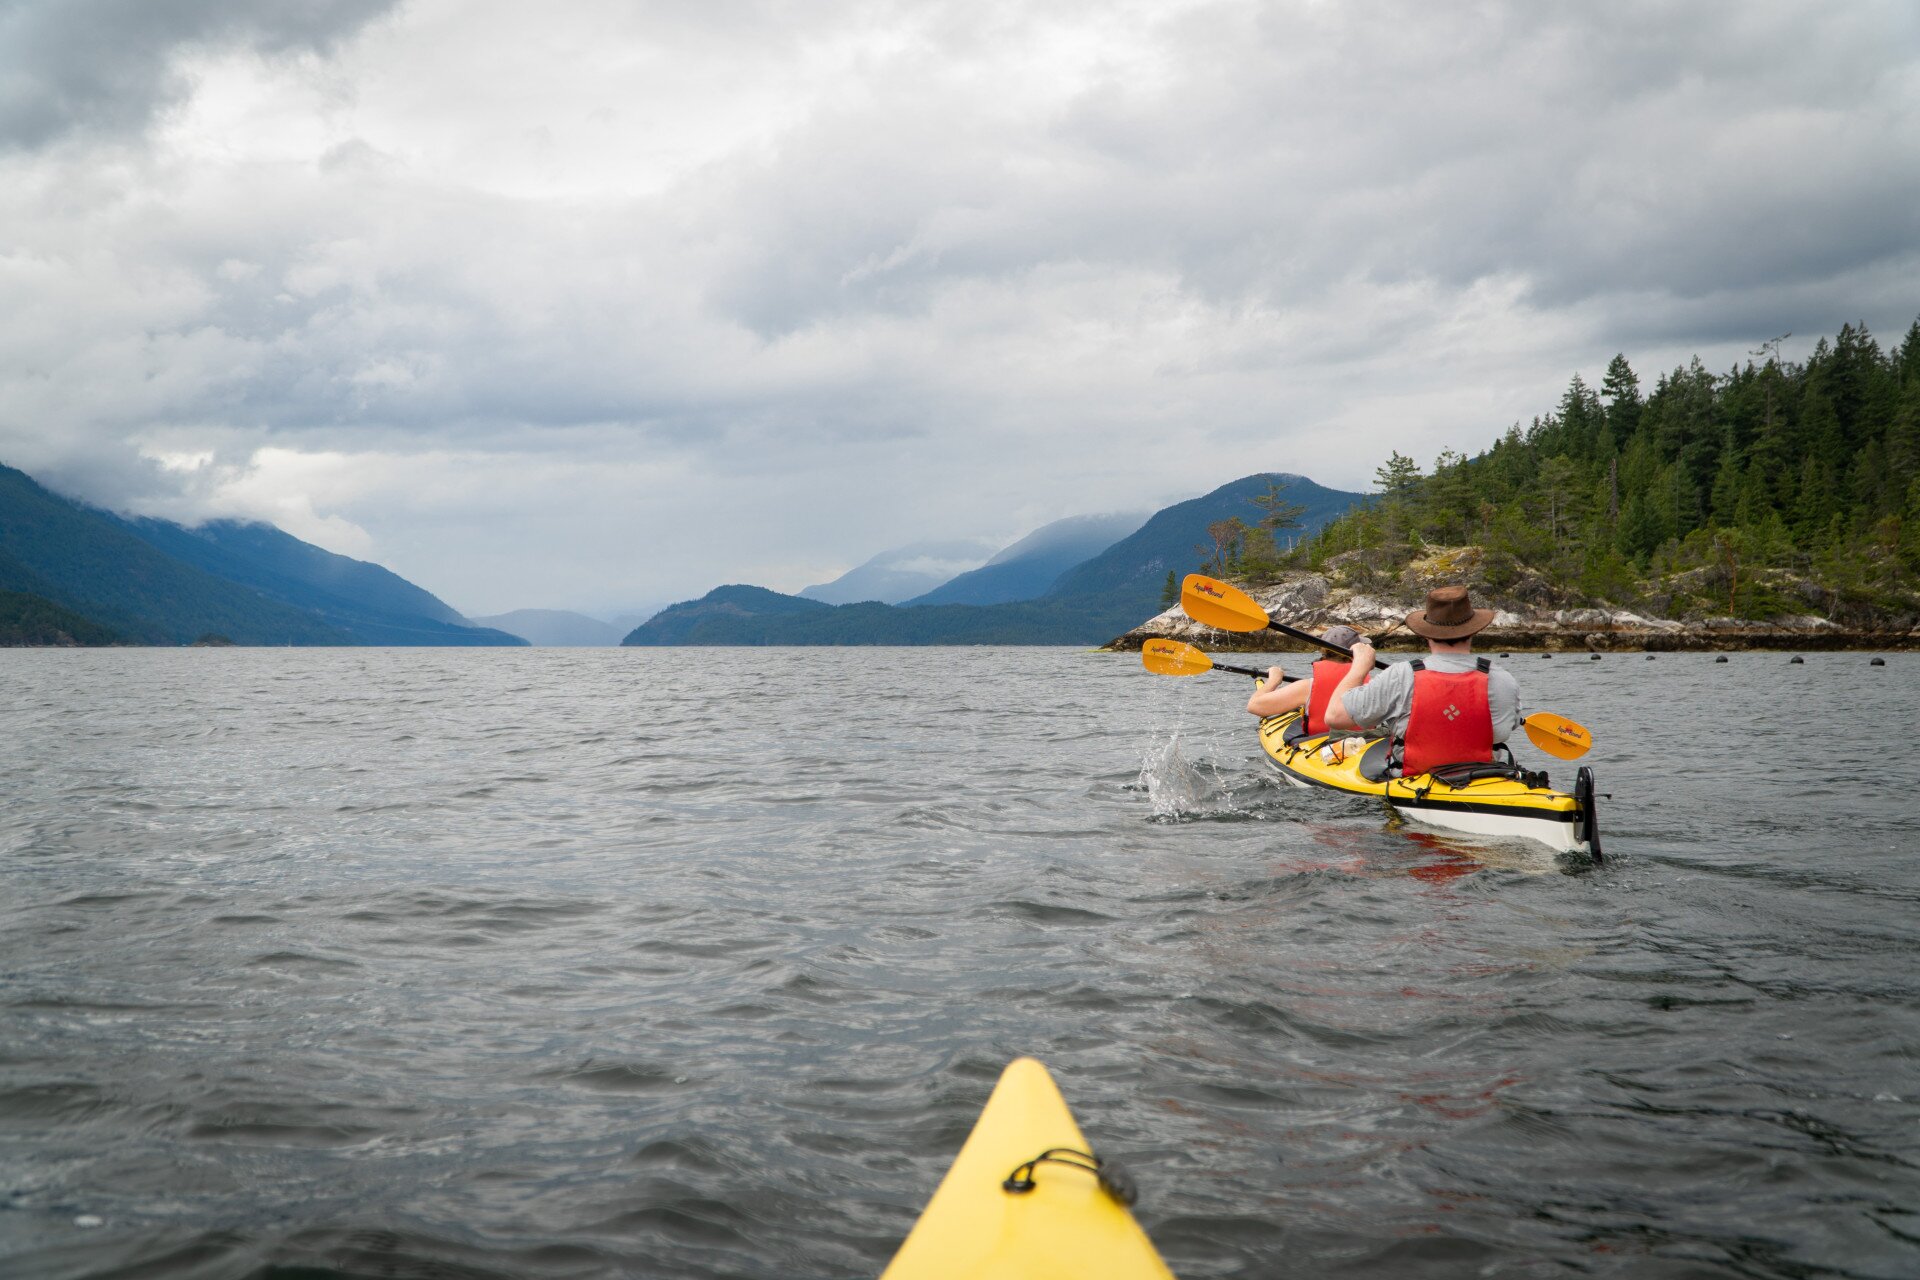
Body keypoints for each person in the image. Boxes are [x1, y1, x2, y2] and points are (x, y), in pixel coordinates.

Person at [1325, 585, 1522, 776]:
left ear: (1426, 634)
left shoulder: (1400, 675)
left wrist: (1359, 666)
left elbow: (1334, 716)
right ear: (1473, 630)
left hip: (1413, 777)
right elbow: (1508, 726)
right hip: (1483, 778)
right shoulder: (1503, 680)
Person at [1245, 624, 1368, 734]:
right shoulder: (1372, 686)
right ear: (1357, 655)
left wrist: (1274, 680)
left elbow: (1254, 706)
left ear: (1323, 652)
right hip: (1366, 746)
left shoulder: (1308, 687)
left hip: (1321, 750)